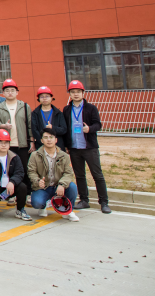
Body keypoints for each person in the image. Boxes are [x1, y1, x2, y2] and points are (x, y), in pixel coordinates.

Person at [62, 80, 110, 214]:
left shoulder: (91, 108)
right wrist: (66, 146)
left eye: (78, 92)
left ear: (83, 93)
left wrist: (90, 129)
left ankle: (104, 202)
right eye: (73, 92)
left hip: (89, 147)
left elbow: (98, 124)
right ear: (70, 94)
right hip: (74, 148)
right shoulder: (66, 109)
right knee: (80, 176)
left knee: (97, 175)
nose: (75, 94)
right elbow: (65, 128)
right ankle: (84, 200)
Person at [28, 128, 80, 221]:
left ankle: (69, 210)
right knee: (37, 203)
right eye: (46, 137)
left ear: (56, 140)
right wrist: (38, 181)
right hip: (44, 188)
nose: (49, 140)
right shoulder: (35, 155)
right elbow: (31, 172)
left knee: (72, 187)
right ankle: (43, 206)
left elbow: (68, 173)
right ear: (41, 140)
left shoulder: (64, 156)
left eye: (51, 137)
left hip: (58, 187)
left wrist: (62, 184)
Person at [0, 79, 33, 195]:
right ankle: (11, 194)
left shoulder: (24, 106)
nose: (10, 93)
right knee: (9, 170)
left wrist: (32, 141)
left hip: (22, 143)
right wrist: (3, 126)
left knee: (24, 169)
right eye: (7, 90)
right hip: (7, 145)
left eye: (12, 90)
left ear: (17, 92)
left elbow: (30, 125)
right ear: (3, 93)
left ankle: (27, 193)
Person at [0, 129, 31, 220]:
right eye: (0, 142)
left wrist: (12, 182)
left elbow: (20, 173)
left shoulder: (14, 157)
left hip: (10, 187)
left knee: (22, 187)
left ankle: (20, 209)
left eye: (6, 142)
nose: (4, 145)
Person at [31, 86, 67, 150]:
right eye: (42, 97)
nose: (44, 98)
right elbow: (34, 130)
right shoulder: (34, 114)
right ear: (38, 99)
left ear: (51, 98)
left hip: (57, 147)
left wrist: (52, 128)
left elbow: (63, 129)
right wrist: (44, 141)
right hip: (41, 147)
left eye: (47, 96)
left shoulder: (58, 113)